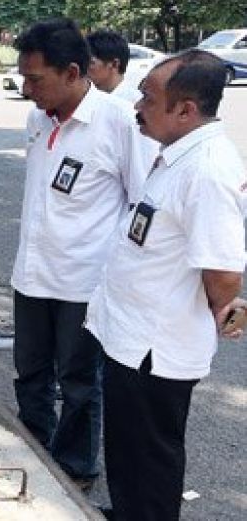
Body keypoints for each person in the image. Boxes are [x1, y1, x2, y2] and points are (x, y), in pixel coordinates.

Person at [85, 50, 246, 520]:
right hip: (131, 338)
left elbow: (221, 273)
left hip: (157, 348)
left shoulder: (208, 170)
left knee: (150, 457)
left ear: (185, 110)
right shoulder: (178, 153)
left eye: (149, 98)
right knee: (127, 450)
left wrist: (226, 311)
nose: (137, 105)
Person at [10, 18, 157, 490]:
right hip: (31, 274)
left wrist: (124, 278)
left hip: (83, 282)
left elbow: (141, 204)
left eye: (36, 79)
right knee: (30, 372)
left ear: (73, 73)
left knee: (77, 381)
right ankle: (32, 450)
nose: (27, 88)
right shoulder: (38, 118)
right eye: (23, 77)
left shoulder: (118, 124)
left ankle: (75, 469)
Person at [86, 29, 141, 102]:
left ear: (115, 64)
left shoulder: (135, 104)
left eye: (90, 63)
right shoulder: (87, 98)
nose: (83, 67)